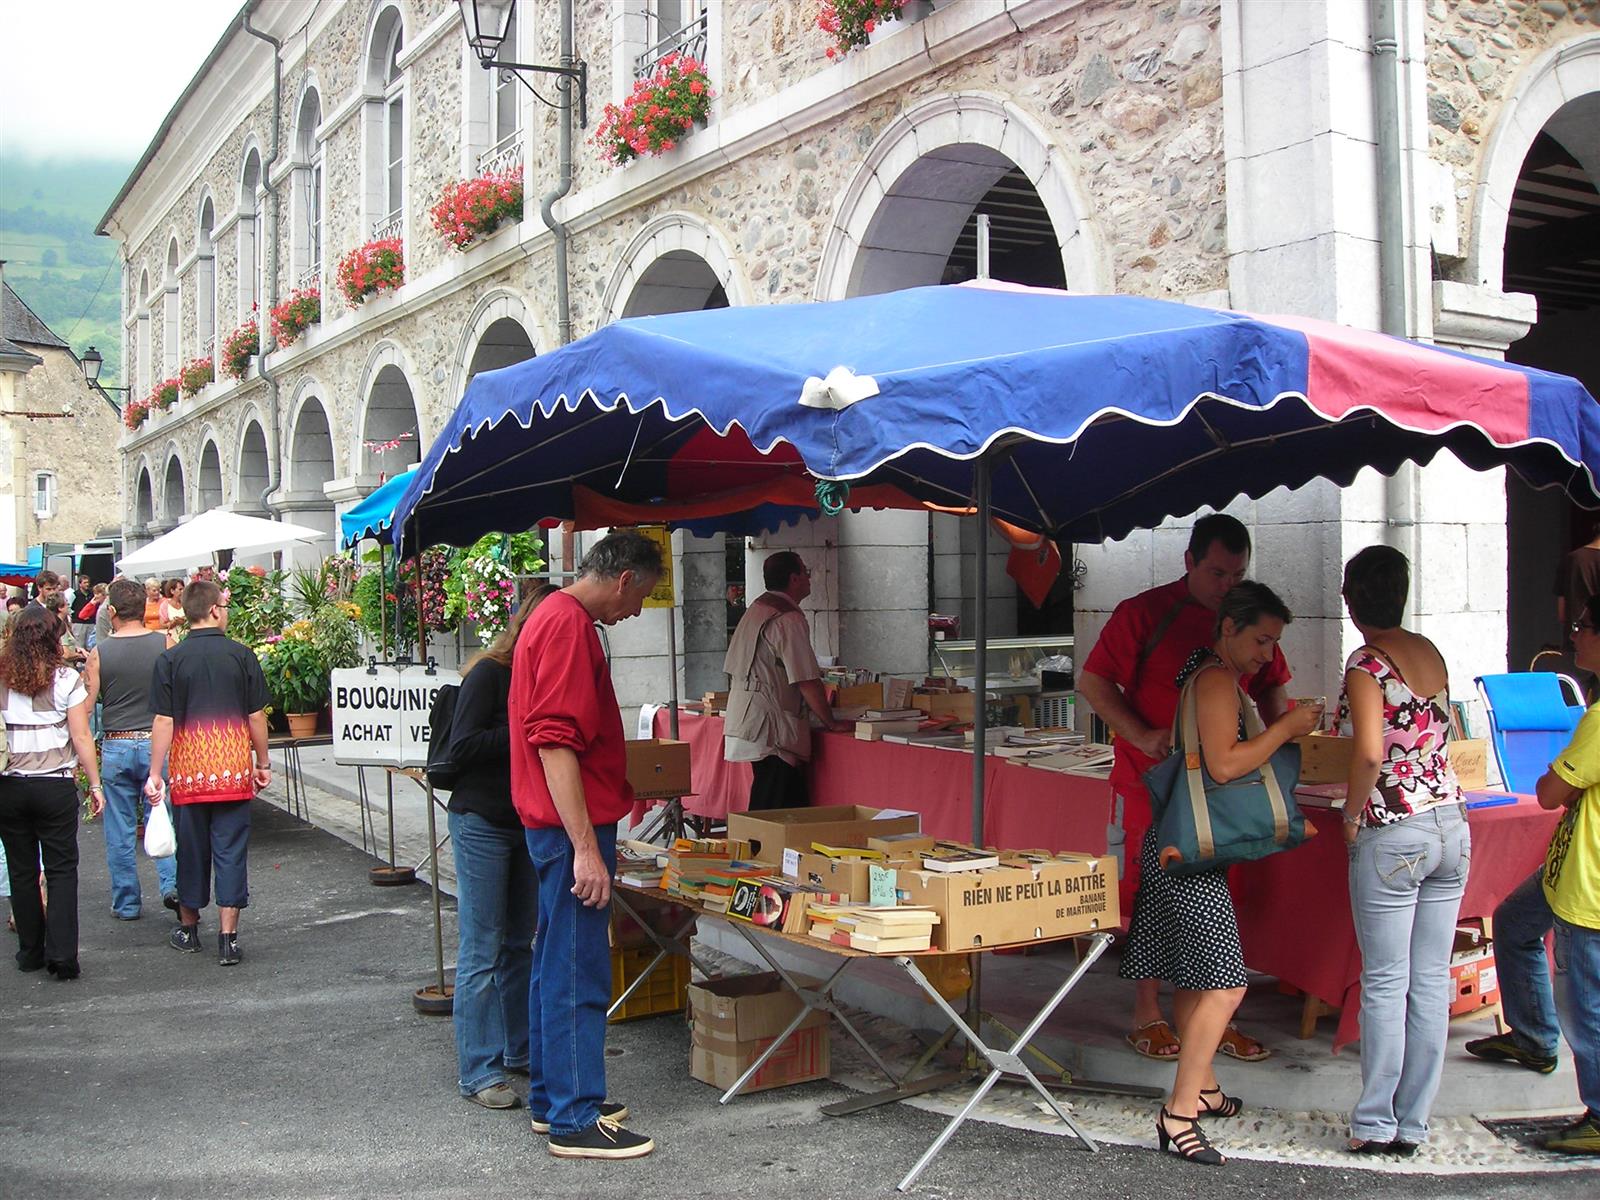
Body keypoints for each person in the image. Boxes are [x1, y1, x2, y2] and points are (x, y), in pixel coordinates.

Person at [1079, 513, 1290, 1064]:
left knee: (1216, 894)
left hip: (1222, 789)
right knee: (1156, 894)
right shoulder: (1144, 613)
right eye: (1218, 573)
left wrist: (1279, 742)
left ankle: (1210, 1015)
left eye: (1237, 574)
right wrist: (1140, 733)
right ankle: (1148, 1010)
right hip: (1153, 780)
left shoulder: (1245, 621)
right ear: (1189, 562)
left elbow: (1272, 687)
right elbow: (1093, 681)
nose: (1228, 585)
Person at [1121, 582, 1317, 1166]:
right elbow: (1226, 764)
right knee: (1226, 983)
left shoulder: (1211, 675)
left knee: (1197, 978)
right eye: (1261, 639)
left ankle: (1202, 1084)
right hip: (1192, 854)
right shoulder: (1214, 680)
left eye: (1274, 642)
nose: (1267, 653)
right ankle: (1179, 1112)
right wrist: (1286, 729)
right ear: (1228, 629)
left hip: (1185, 846)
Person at [510, 530, 661, 1160]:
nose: (637, 612)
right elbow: (555, 740)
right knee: (576, 965)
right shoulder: (569, 624)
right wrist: (586, 848)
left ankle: (556, 1098)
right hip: (565, 822)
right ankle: (572, 1114)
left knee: (557, 959)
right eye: (642, 597)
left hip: (551, 820)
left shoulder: (550, 614)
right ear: (623, 578)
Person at [1335, 545, 1470, 1155]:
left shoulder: (1367, 664)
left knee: (1386, 981)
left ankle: (1373, 1122)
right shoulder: (1431, 653)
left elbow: (1367, 752)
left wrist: (1351, 811)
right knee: (1430, 979)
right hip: (1452, 826)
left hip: (1396, 827)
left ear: (1350, 599)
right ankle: (1413, 1122)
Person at [448, 583, 557, 1111]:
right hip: (483, 820)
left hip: (526, 822)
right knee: (482, 948)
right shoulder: (491, 674)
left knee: (520, 942)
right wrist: (522, 732)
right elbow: (461, 745)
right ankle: (479, 1070)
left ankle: (518, 1049)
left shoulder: (544, 675)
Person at [1501, 592, 1600, 1155]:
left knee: (1585, 1005)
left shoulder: (1598, 721)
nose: (1575, 637)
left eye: (1585, 627)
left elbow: (1547, 793)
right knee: (1513, 921)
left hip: (1586, 883)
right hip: (1566, 868)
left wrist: (1564, 773)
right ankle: (1534, 1036)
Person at [145, 580, 271, 966]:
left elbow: (164, 720)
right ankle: (228, 938)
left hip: (187, 772)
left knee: (192, 852)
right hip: (232, 769)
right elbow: (255, 715)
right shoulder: (242, 655)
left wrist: (155, 771)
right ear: (214, 610)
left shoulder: (170, 660)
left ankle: (189, 928)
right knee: (231, 851)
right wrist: (262, 763)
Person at [0, 606, 106, 979]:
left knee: (21, 869)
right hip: (55, 783)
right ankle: (62, 955)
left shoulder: (2, 676)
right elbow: (80, 736)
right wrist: (94, 784)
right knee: (61, 869)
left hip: (9, 784)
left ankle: (30, 950)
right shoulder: (66, 679)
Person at [722, 551, 849, 812]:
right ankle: (759, 852)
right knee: (774, 805)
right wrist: (831, 721)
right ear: (794, 579)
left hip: (750, 718)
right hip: (771, 728)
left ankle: (767, 850)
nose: (809, 578)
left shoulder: (758, 608)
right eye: (805, 572)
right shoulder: (787, 618)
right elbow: (806, 679)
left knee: (779, 799)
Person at [85, 578, 178, 921]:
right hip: (157, 741)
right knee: (162, 815)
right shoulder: (165, 643)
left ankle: (127, 902)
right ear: (145, 609)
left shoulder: (100, 653)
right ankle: (171, 885)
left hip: (117, 741)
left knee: (119, 828)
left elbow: (87, 705)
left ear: (112, 612)